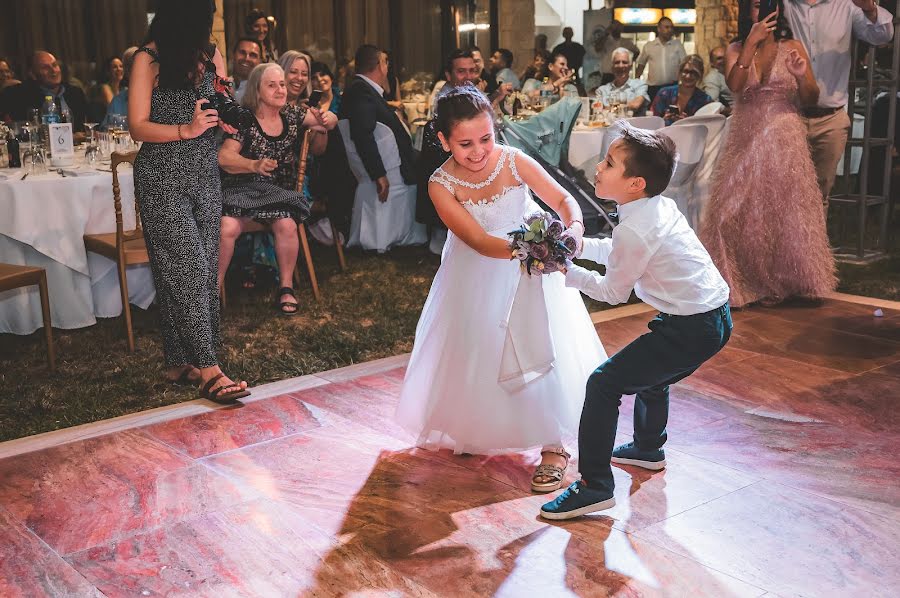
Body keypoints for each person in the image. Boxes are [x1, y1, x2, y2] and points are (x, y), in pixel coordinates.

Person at [396, 86, 606, 492]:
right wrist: (531, 248)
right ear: (443, 141)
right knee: (482, 347)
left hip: (535, 273)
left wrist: (574, 231)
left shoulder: (513, 161)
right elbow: (478, 241)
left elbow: (564, 199)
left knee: (541, 344)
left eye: (486, 138)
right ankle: (480, 427)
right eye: (465, 144)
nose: (478, 151)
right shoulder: (441, 184)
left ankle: (553, 444)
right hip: (478, 271)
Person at [539, 123, 732, 519]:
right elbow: (621, 249)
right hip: (710, 317)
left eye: (609, 163)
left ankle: (595, 486)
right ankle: (647, 448)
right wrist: (579, 246)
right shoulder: (656, 207)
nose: (598, 167)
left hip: (692, 326)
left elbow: (613, 292)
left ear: (635, 183)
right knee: (652, 374)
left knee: (603, 383)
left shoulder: (637, 229)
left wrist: (566, 272)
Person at [128, 0, 249, 402]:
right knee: (189, 268)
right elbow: (137, 126)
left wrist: (225, 116)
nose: (209, 27)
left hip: (204, 173)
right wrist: (186, 127)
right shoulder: (149, 58)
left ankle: (179, 360)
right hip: (162, 174)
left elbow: (219, 98)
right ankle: (210, 371)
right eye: (203, 19)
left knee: (194, 266)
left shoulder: (209, 54)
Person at [699, 0, 837, 308]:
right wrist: (750, 44)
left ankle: (785, 281)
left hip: (783, 134)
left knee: (782, 210)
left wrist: (801, 75)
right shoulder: (736, 47)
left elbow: (811, 96)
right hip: (746, 135)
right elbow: (735, 85)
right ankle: (741, 280)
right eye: (756, 4)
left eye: (768, 3)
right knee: (730, 212)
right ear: (749, 10)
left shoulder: (792, 46)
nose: (761, 9)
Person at [218, 63, 335, 315]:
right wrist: (253, 164)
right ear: (257, 91)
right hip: (243, 191)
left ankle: (286, 287)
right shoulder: (245, 119)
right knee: (226, 226)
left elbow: (328, 122)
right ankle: (211, 291)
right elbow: (225, 158)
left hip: (277, 193)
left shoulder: (292, 115)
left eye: (282, 84)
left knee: (287, 224)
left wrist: (328, 118)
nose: (280, 89)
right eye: (272, 85)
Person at [782, 0, 894, 206]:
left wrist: (870, 9)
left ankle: (814, 239)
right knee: (784, 193)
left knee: (820, 194)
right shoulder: (784, 4)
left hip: (830, 118)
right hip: (787, 115)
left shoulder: (846, 4)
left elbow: (882, 35)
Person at [417, 49, 481, 255]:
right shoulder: (446, 102)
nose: (469, 77)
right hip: (448, 162)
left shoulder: (466, 95)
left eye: (472, 71)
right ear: (448, 75)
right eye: (462, 71)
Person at [340, 44, 417, 203]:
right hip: (393, 176)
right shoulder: (360, 90)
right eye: (385, 62)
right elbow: (362, 134)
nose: (387, 67)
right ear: (380, 65)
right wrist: (379, 174)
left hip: (399, 169)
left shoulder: (366, 90)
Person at [0, 51, 88, 134]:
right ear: (33, 74)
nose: (53, 71)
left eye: (55, 65)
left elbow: (87, 125)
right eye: (45, 68)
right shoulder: (20, 95)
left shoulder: (75, 92)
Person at [650, 54, 713, 125]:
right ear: (680, 72)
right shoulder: (664, 93)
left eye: (693, 73)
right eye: (686, 71)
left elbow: (707, 127)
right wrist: (663, 120)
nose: (688, 76)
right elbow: (653, 122)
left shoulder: (705, 100)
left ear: (700, 75)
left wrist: (689, 123)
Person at [635, 17, 686, 101]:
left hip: (672, 87)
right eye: (666, 27)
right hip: (653, 89)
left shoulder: (678, 45)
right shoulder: (649, 46)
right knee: (653, 113)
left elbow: (684, 64)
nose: (669, 30)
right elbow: (641, 65)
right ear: (659, 29)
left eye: (671, 27)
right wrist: (636, 84)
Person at [595, 48, 650, 116]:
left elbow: (635, 105)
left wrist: (609, 108)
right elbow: (598, 111)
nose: (620, 66)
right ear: (612, 67)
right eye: (617, 62)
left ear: (630, 66)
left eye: (624, 62)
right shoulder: (602, 90)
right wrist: (626, 106)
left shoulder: (640, 85)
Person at [593, 20, 640, 87]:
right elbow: (597, 48)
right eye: (614, 27)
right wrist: (606, 33)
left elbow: (637, 51)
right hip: (608, 74)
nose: (616, 29)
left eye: (618, 27)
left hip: (621, 73)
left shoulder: (625, 42)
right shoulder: (606, 41)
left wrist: (630, 62)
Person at [102, 47, 138, 128]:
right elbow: (106, 130)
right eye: (129, 66)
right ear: (127, 71)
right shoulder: (118, 100)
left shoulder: (160, 97)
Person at [88, 56, 124, 122]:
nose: (119, 69)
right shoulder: (104, 88)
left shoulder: (123, 89)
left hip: (118, 125)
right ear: (108, 71)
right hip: (105, 128)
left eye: (121, 66)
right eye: (115, 67)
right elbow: (115, 112)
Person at [701, 45, 733, 113]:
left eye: (725, 57)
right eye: (719, 58)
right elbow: (713, 105)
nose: (723, 60)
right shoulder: (713, 78)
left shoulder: (733, 73)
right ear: (712, 63)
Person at [231, 38, 262, 103]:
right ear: (233, 56)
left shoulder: (263, 91)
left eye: (253, 55)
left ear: (260, 61)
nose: (246, 58)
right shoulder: (221, 86)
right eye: (242, 53)